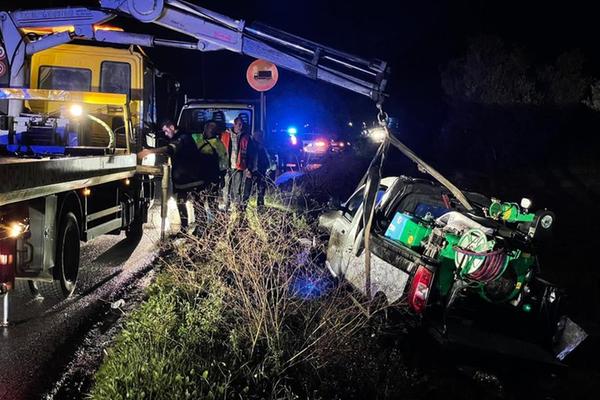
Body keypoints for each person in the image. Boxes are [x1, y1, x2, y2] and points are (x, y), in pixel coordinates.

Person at [137, 120, 209, 232]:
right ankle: (187, 230)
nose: (166, 134)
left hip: (191, 178)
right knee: (184, 202)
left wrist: (149, 152)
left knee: (196, 203)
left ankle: (201, 231)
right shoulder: (182, 137)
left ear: (172, 127)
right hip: (185, 179)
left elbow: (171, 149)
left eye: (166, 131)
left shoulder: (183, 138)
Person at [220, 116, 251, 210]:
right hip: (227, 165)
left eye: (241, 124)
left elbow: (248, 152)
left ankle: (236, 205)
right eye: (239, 124)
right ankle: (226, 205)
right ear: (234, 124)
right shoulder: (225, 134)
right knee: (226, 187)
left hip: (239, 166)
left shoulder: (245, 137)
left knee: (237, 188)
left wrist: (247, 166)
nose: (240, 126)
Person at [243, 129, 272, 211]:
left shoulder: (263, 147)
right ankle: (243, 207)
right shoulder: (250, 146)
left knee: (261, 190)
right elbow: (246, 158)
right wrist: (247, 169)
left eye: (261, 136)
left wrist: (267, 168)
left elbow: (267, 160)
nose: (260, 137)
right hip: (251, 170)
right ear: (254, 136)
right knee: (247, 191)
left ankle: (260, 207)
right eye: (258, 136)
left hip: (261, 171)